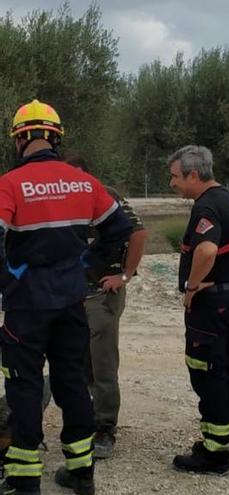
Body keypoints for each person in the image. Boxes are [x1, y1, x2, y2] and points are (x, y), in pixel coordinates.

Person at [0, 100, 132, 494]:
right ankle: (81, 471)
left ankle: (25, 480)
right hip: (73, 301)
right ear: (55, 137)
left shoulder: (9, 183)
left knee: (24, 386)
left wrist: (7, 280)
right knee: (72, 381)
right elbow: (120, 230)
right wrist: (84, 264)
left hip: (26, 306)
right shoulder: (84, 182)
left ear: (21, 138)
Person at [167, 145, 229, 475]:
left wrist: (192, 286)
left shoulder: (207, 207)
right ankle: (225, 438)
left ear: (193, 175)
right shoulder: (228, 198)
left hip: (211, 306)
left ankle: (214, 455)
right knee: (222, 370)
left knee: (206, 373)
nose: (171, 183)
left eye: (175, 177)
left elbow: (207, 251)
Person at [66, 155, 148, 460]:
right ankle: (89, 415)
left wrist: (125, 275)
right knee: (81, 358)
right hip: (74, 294)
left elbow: (137, 234)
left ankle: (105, 427)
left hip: (102, 293)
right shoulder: (65, 201)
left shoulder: (107, 197)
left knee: (102, 361)